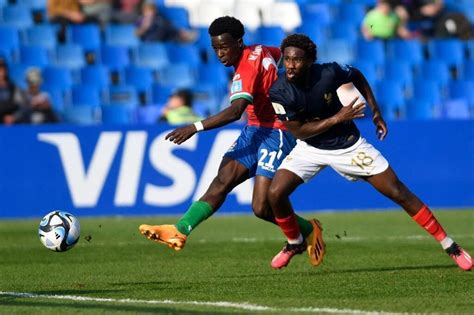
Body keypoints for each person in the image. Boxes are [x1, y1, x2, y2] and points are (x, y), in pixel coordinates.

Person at [267, 33, 472, 271]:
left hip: (348, 146)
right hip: (310, 148)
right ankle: (295, 242)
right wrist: (337, 117)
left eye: (297, 60)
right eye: (287, 59)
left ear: (309, 61)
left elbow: (356, 74)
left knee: (398, 192)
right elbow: (300, 132)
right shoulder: (279, 91)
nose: (290, 65)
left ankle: (450, 246)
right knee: (275, 194)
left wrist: (375, 110)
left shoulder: (328, 72)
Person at [139, 16, 325, 268]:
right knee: (222, 180)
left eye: (225, 47)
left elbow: (235, 111)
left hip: (278, 131)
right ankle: (180, 230)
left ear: (239, 42)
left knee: (261, 206)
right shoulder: (260, 50)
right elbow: (279, 59)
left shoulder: (244, 70)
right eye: (215, 48)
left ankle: (306, 231)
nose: (220, 54)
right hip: (254, 129)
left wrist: (194, 127)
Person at [0, 59, 20, 125]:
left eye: (1, 70)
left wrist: (14, 117)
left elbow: (19, 104)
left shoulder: (12, 87)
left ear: (5, 71)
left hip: (10, 119)